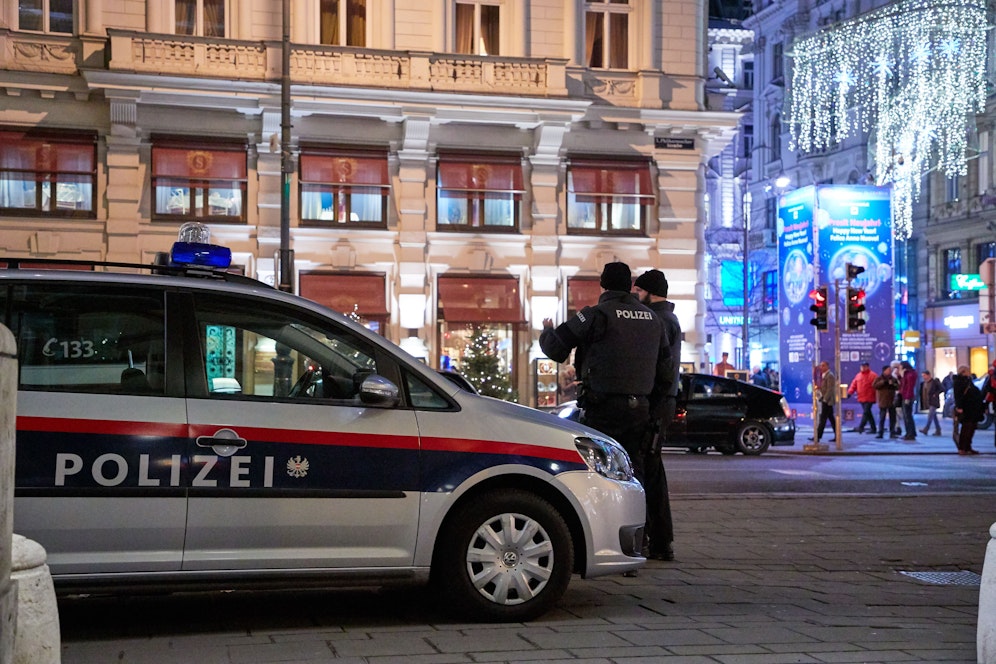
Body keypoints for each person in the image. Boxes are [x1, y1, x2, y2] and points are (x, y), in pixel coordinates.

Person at [540, 262, 673, 571]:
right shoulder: (653, 319)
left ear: (603, 285)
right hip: (639, 410)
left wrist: (546, 331)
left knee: (598, 475)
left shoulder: (596, 314)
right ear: (630, 286)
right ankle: (636, 546)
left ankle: (605, 545)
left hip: (602, 410)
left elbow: (556, 348)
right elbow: (666, 374)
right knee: (634, 478)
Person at [633, 269, 681, 561]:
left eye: (638, 292)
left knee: (648, 473)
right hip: (663, 402)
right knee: (653, 471)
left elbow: (658, 368)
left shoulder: (659, 321)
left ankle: (657, 540)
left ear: (649, 293)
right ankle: (661, 540)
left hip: (656, 403)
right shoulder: (667, 319)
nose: (635, 298)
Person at [952, 365, 983, 455]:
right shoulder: (959, 382)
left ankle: (968, 447)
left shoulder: (967, 381)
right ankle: (962, 447)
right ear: (963, 372)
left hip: (972, 408)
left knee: (971, 428)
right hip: (966, 409)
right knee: (966, 428)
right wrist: (959, 407)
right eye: (967, 371)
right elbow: (958, 396)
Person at [846, 362, 878, 434]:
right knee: (868, 413)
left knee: (866, 412)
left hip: (870, 397)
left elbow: (877, 386)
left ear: (868, 367)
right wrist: (849, 393)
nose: (863, 368)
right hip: (861, 397)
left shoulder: (873, 375)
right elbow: (854, 385)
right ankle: (873, 428)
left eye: (864, 366)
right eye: (862, 367)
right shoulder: (858, 375)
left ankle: (861, 427)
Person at [812, 361, 837, 443]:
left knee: (823, 419)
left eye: (823, 366)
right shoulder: (825, 375)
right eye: (821, 366)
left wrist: (825, 399)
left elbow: (830, 389)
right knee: (831, 419)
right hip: (825, 400)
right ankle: (837, 435)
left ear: (827, 366)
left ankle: (818, 436)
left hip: (828, 401)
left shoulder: (830, 375)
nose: (821, 367)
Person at [872, 365, 899, 439]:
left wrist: (893, 384)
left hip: (891, 400)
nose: (889, 371)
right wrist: (883, 382)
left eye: (890, 370)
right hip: (883, 400)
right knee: (882, 417)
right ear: (884, 371)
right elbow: (874, 386)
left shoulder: (893, 379)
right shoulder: (879, 378)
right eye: (888, 370)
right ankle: (880, 432)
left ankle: (892, 432)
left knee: (892, 418)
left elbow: (897, 386)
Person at [919, 370, 942, 436]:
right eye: (923, 376)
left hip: (933, 401)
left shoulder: (934, 382)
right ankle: (938, 429)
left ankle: (926, 429)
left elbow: (942, 388)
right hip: (928, 401)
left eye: (924, 375)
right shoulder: (923, 383)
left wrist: (936, 394)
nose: (924, 377)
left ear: (928, 375)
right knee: (934, 416)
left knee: (930, 415)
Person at [899, 360, 917, 440]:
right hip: (907, 396)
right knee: (908, 416)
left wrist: (907, 398)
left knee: (907, 416)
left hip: (907, 396)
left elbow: (909, 387)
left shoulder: (909, 374)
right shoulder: (909, 373)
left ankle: (909, 433)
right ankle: (911, 432)